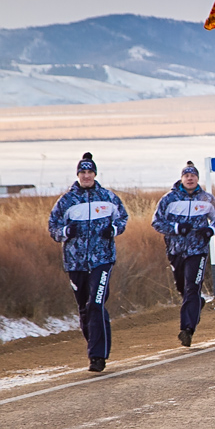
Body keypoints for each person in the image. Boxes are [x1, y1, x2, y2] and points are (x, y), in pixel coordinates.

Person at [48, 153, 129, 372]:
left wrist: (112, 229)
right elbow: (53, 228)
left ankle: (97, 356)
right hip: (75, 262)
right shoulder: (66, 201)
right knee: (85, 309)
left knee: (96, 303)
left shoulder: (107, 197)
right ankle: (98, 346)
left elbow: (123, 219)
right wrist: (65, 231)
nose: (86, 176)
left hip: (102, 260)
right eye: (82, 172)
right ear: (78, 175)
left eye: (89, 172)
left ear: (95, 174)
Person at [152, 161, 215, 347]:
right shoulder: (169, 199)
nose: (190, 179)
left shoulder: (206, 199)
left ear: (197, 178)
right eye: (186, 176)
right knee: (183, 289)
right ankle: (197, 303)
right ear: (182, 178)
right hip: (176, 250)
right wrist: (176, 228)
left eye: (193, 176)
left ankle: (187, 329)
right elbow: (156, 222)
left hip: (198, 250)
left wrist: (210, 230)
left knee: (192, 287)